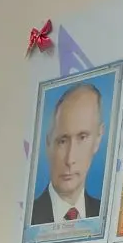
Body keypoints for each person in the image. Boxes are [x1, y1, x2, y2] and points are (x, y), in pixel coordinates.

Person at [31, 82, 105, 224]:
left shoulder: (108, 215)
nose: (70, 159)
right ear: (48, 143)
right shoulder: (25, 218)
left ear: (98, 138)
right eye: (62, 141)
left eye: (82, 138)